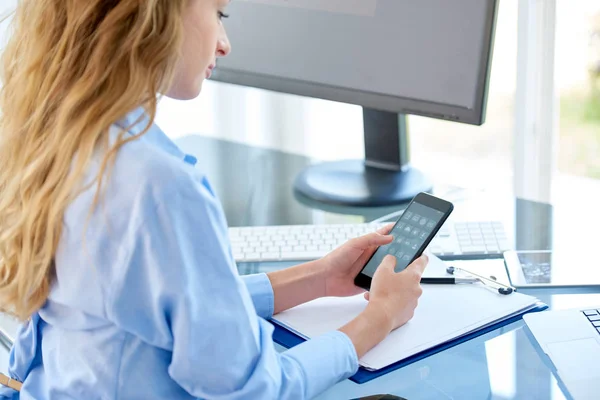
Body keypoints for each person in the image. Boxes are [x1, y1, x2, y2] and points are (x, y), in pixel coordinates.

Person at [0, 0, 428, 398]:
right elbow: (257, 390)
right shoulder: (159, 187)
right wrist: (383, 314)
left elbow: (172, 309)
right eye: (219, 14)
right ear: (159, 13)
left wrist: (318, 277)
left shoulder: (55, 139)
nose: (224, 44)